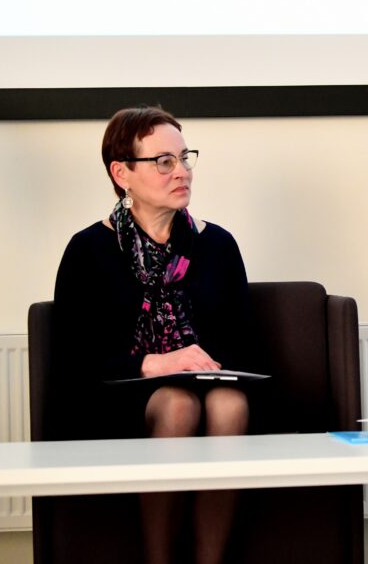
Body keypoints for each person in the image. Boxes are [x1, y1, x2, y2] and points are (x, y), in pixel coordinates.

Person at [54, 106, 253, 564]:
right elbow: (74, 358)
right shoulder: (88, 250)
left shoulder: (217, 244)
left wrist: (209, 364)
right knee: (177, 404)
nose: (181, 171)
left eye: (185, 158)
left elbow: (242, 343)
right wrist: (156, 363)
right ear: (122, 172)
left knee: (229, 402)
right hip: (117, 398)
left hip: (206, 387)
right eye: (163, 161)